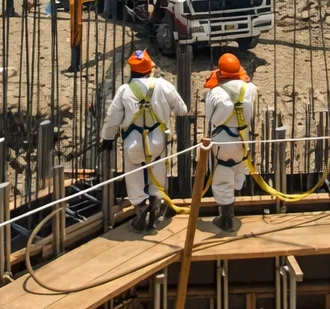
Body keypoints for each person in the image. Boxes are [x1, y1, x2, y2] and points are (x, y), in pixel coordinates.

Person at [99, 49, 187, 232]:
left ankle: (141, 209)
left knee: (134, 176)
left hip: (134, 144)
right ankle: (156, 203)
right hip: (157, 143)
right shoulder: (163, 85)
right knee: (158, 173)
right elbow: (182, 110)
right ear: (151, 69)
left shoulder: (124, 90)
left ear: (131, 70)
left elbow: (112, 116)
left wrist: (107, 138)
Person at [204, 51, 257, 231]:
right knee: (237, 169)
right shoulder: (250, 88)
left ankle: (226, 218)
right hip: (243, 139)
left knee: (222, 176)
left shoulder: (215, 92)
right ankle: (231, 207)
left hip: (222, 141)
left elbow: (210, 119)